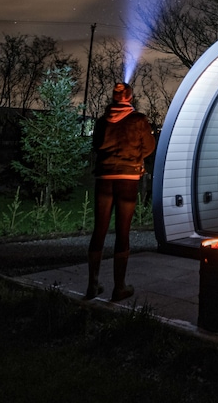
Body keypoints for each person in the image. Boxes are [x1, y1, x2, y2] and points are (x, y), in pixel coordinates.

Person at [85, 81, 156, 301]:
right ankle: (119, 287)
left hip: (104, 179)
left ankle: (92, 285)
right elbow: (150, 146)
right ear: (130, 98)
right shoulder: (139, 120)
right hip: (128, 179)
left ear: (114, 97)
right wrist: (137, 158)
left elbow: (96, 145)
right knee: (123, 231)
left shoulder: (102, 122)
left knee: (100, 229)